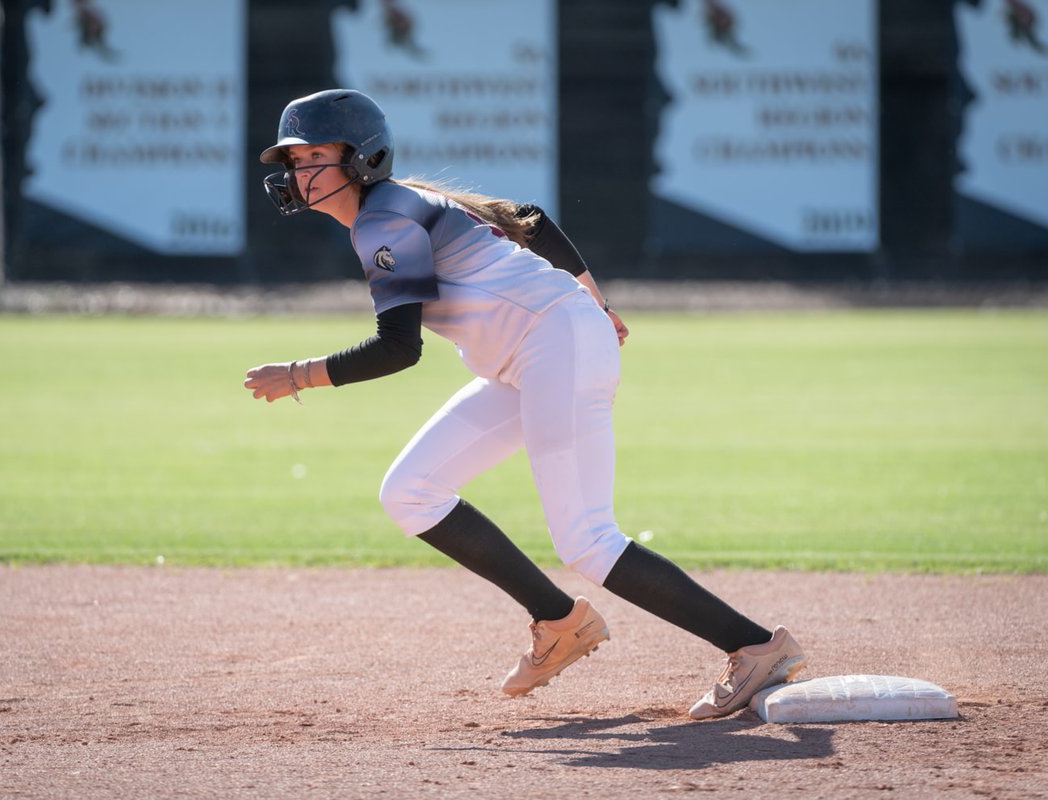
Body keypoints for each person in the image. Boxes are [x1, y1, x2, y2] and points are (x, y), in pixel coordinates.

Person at [244, 89, 805, 720]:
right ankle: (559, 621)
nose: (299, 171)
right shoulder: (402, 205)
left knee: (587, 539)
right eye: (293, 158)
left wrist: (297, 375)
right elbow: (531, 219)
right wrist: (594, 300)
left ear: (361, 158)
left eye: (315, 153)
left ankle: (757, 646)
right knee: (410, 491)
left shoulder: (385, 220)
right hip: (531, 358)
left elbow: (397, 348)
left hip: (553, 349)